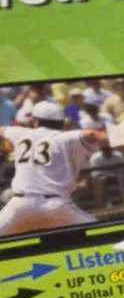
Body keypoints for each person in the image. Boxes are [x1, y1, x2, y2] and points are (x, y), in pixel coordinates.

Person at [0, 100, 109, 236]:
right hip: (56, 207)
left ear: (36, 121)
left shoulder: (20, 133)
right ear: (61, 122)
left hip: (21, 205)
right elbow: (91, 134)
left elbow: (2, 130)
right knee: (100, 235)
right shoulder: (64, 137)